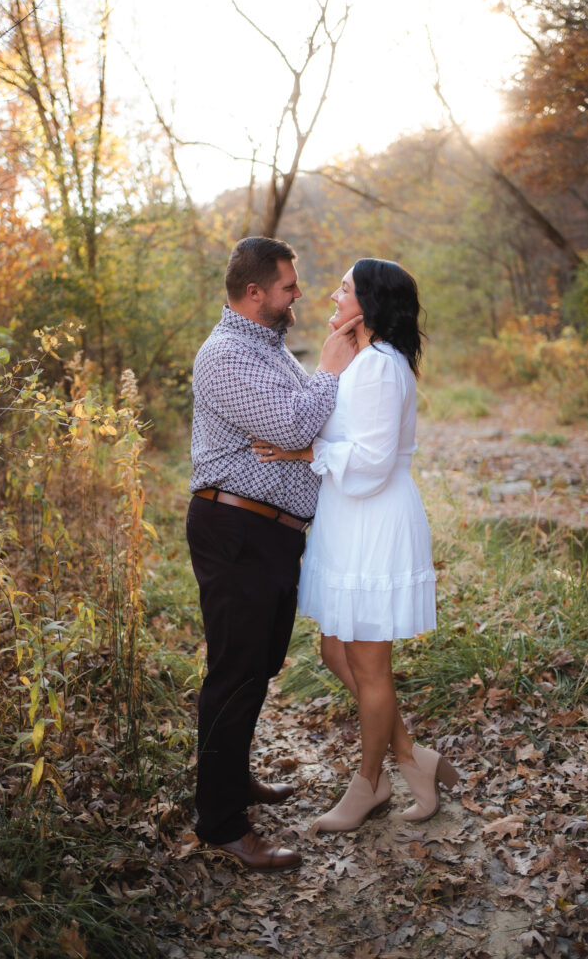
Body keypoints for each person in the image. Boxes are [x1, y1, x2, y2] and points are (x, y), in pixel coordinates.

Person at [252, 258, 459, 833]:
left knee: (368, 665)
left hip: (373, 520)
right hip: (348, 518)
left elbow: (368, 465)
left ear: (366, 303)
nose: (331, 298)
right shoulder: (360, 362)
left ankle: (370, 784)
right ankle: (414, 757)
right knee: (335, 652)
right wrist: (328, 366)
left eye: (342, 290)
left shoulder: (380, 369)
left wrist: (304, 454)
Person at [186, 236, 360, 871]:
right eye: (289, 286)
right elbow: (292, 425)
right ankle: (222, 823)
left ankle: (232, 780)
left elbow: (299, 427)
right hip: (236, 530)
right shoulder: (226, 355)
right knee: (234, 674)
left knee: (256, 667)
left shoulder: (268, 347)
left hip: (271, 534)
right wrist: (332, 370)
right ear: (255, 293)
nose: (299, 294)